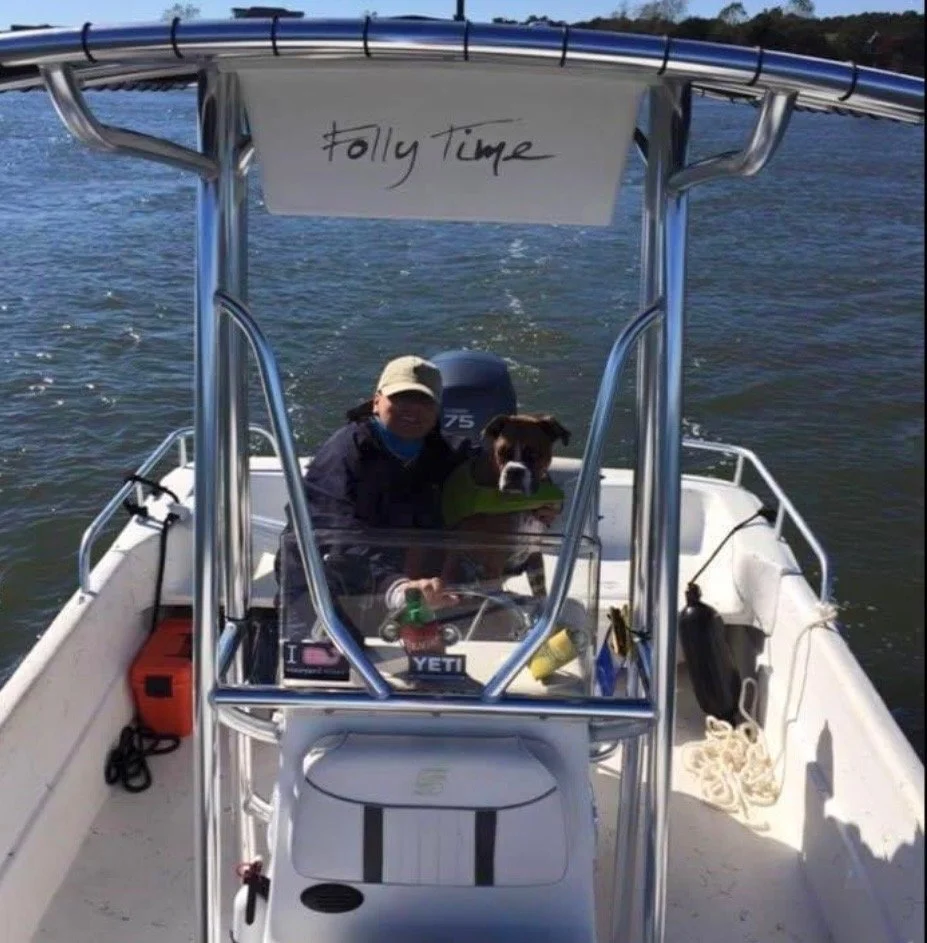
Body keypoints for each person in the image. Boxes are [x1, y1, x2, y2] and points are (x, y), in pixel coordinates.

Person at [276, 355, 468, 649]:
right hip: (324, 579)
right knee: (330, 667)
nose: (412, 409)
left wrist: (539, 499)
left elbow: (493, 465)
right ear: (376, 401)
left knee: (442, 667)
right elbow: (335, 535)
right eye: (401, 398)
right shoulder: (344, 453)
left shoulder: (442, 452)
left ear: (437, 411)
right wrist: (395, 586)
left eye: (424, 401)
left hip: (407, 582)